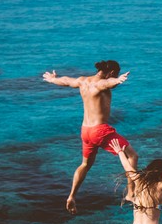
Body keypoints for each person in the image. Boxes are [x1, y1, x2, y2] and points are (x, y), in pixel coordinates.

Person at [42, 60, 138, 214]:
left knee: (85, 165)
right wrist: (117, 81)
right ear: (112, 73)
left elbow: (66, 81)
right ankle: (130, 194)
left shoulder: (83, 81)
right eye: (116, 74)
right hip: (100, 131)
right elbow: (107, 84)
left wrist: (53, 79)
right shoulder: (101, 84)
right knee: (132, 156)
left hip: (85, 131)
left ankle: (72, 196)